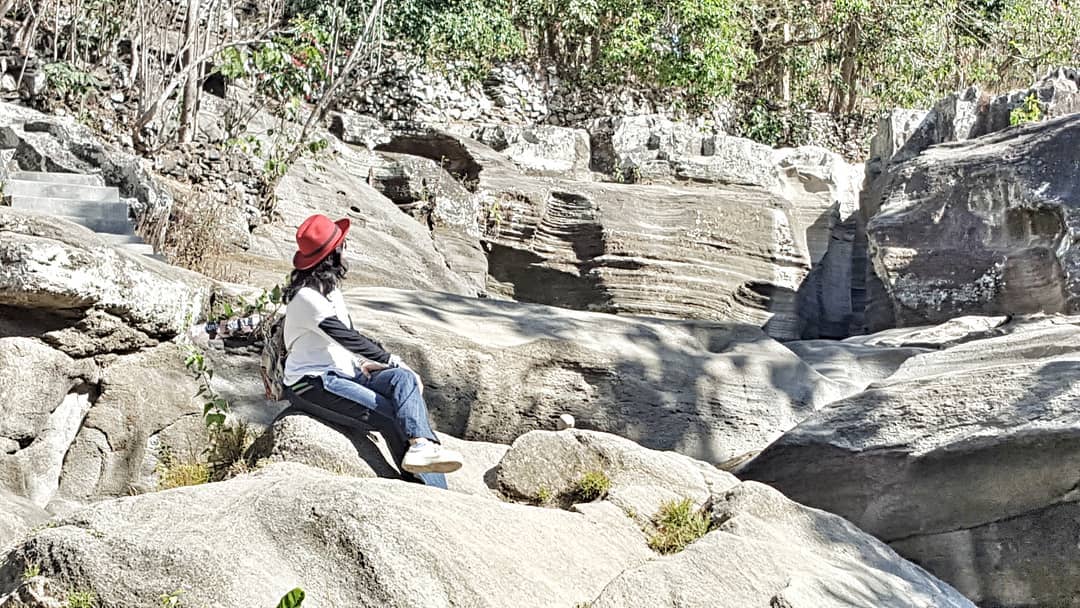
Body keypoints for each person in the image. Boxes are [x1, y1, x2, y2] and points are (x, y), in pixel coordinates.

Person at [279, 213, 463, 482]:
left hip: (345, 373)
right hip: (311, 384)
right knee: (389, 415)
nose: (346, 250)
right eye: (343, 245)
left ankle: (422, 445)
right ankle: (429, 491)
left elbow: (350, 339)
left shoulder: (330, 292)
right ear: (333, 254)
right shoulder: (306, 298)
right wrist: (392, 359)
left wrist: (366, 363)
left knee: (403, 379)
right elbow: (346, 338)